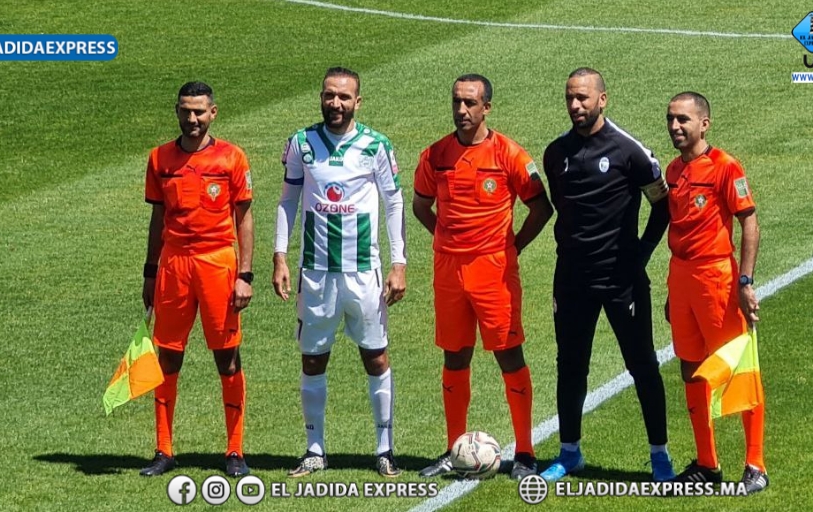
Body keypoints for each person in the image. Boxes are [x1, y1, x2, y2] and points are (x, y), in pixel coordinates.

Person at [413, 74, 553, 481]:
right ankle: (454, 448)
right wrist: (446, 239)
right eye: (457, 101)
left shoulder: (510, 154)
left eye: (470, 103)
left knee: (509, 354)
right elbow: (421, 205)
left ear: (486, 107)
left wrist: (513, 247)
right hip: (448, 271)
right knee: (455, 356)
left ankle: (525, 452)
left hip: (494, 271)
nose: (462, 110)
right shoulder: (435, 154)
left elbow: (541, 207)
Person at [538, 67, 674, 482]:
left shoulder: (630, 151)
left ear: (602, 99)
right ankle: (569, 452)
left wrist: (640, 255)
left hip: (621, 280)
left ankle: (659, 455)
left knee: (642, 364)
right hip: (572, 279)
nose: (575, 105)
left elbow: (662, 206)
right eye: (570, 97)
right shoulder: (555, 153)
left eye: (583, 97)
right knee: (570, 365)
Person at [272, 67, 407, 478]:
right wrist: (280, 255)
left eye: (344, 97)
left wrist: (399, 263)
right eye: (329, 95)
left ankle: (384, 449)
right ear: (321, 97)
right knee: (313, 360)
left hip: (364, 272)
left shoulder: (376, 145)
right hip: (315, 272)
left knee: (376, 356)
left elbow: (394, 203)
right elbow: (288, 199)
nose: (336, 103)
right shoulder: (301, 143)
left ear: (357, 102)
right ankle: (315, 450)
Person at [140, 81, 254, 478]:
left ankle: (235, 450)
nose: (192, 118)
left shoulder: (232, 158)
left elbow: (244, 218)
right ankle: (164, 449)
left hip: (217, 265)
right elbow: (157, 219)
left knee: (228, 356)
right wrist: (150, 271)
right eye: (186, 111)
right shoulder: (159, 158)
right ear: (176, 111)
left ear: (213, 113)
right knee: (167, 355)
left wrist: (245, 274)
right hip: (174, 266)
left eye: (199, 111)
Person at [663, 91, 768, 494]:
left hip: (717, 279)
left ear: (704, 124)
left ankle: (756, 464)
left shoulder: (726, 166)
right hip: (681, 277)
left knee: (738, 368)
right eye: (671, 119)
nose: (675, 126)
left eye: (683, 119)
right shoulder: (673, 170)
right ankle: (707, 463)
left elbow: (749, 221)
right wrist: (674, 292)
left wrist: (745, 281)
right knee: (691, 368)